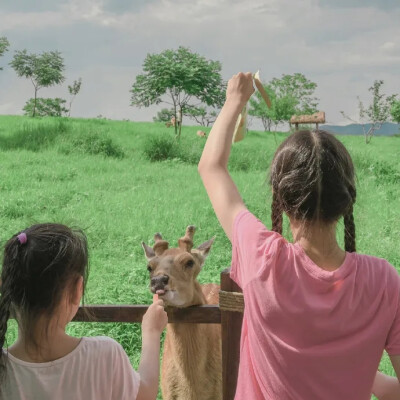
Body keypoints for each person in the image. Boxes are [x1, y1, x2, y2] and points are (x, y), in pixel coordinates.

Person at [198, 72, 400, 399]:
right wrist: (363, 373)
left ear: (282, 200)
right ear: (346, 198)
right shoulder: (383, 281)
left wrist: (235, 99)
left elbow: (211, 167)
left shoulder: (263, 256)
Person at [0, 223, 167, 400]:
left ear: (6, 290)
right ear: (77, 290)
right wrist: (152, 331)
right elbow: (145, 394)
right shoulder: (104, 355)